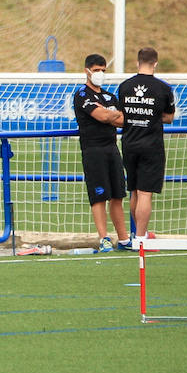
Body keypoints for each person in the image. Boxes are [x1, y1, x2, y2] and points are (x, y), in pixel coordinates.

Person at [72, 54, 132, 253]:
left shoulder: (109, 96)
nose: (100, 74)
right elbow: (103, 116)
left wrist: (110, 115)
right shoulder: (82, 95)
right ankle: (104, 238)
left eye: (103, 70)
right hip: (93, 150)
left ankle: (123, 239)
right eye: (97, 70)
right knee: (99, 196)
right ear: (87, 71)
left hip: (112, 148)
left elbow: (122, 120)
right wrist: (110, 114)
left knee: (117, 195)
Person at [117, 47, 175, 243]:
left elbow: (123, 115)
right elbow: (169, 117)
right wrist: (152, 116)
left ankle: (137, 234)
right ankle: (142, 238)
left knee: (134, 190)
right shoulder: (164, 88)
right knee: (145, 193)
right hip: (151, 145)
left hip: (129, 143)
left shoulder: (124, 86)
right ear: (155, 63)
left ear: (137, 62)